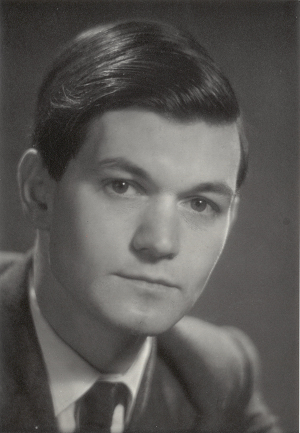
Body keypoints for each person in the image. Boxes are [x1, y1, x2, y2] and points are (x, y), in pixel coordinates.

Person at [0, 20, 280, 433]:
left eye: (200, 204)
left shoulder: (219, 373)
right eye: (123, 186)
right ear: (39, 191)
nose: (160, 242)